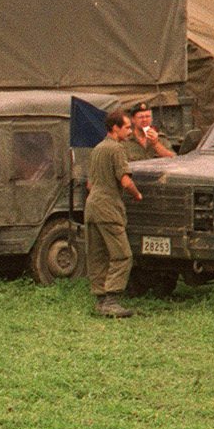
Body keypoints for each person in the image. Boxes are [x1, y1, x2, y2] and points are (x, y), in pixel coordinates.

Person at [85, 108, 143, 318]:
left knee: (98, 254)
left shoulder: (97, 148)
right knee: (122, 255)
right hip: (108, 207)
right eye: (127, 127)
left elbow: (90, 184)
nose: (129, 131)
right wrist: (137, 195)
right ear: (115, 128)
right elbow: (125, 180)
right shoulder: (116, 150)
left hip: (92, 206)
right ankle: (112, 299)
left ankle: (101, 300)